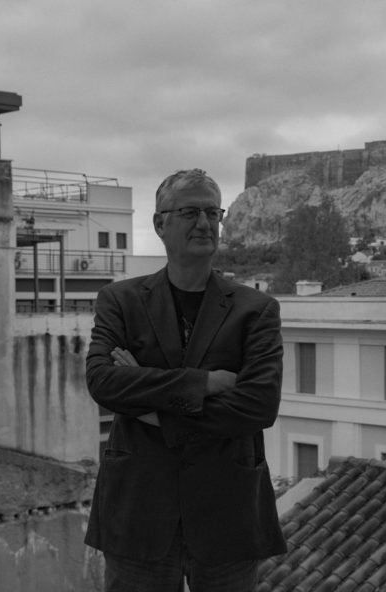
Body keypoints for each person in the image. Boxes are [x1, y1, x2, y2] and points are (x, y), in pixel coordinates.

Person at [84, 169, 286, 591]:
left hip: (227, 512)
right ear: (160, 224)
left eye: (213, 213)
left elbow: (258, 405)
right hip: (138, 509)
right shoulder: (120, 300)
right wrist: (204, 384)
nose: (205, 223)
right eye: (191, 212)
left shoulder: (256, 309)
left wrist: (153, 409)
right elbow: (103, 381)